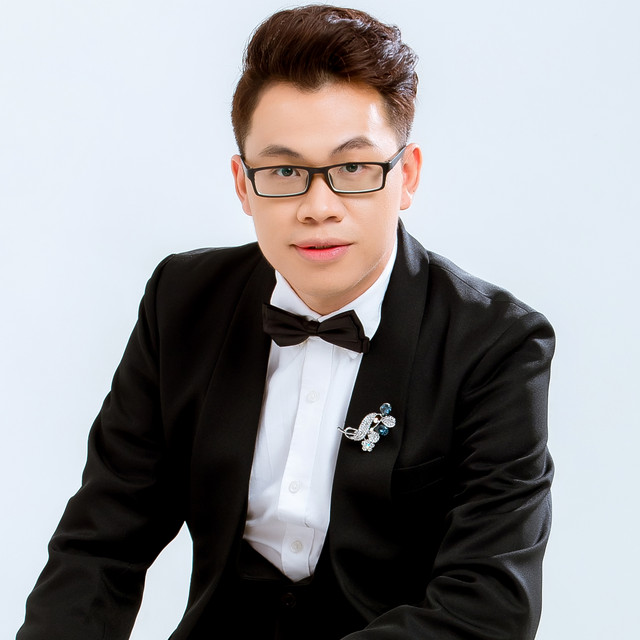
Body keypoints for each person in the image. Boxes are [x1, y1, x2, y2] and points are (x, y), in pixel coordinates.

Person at [17, 5, 555, 639]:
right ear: (243, 185)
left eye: (353, 168)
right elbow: (99, 545)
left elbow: (488, 607)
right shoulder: (181, 300)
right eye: (284, 172)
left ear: (406, 176)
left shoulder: (496, 343)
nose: (318, 207)